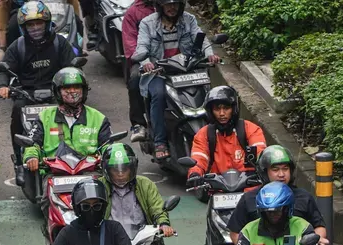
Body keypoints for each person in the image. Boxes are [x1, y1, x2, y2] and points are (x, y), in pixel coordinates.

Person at [131, 0, 218, 160]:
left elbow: (201, 39)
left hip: (187, 71)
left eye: (175, 4)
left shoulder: (189, 19)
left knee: (208, 94)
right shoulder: (147, 23)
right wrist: (147, 63)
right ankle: (160, 142)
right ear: (160, 6)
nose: (172, 8)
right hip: (160, 73)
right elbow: (141, 47)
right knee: (158, 95)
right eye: (168, 4)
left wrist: (210, 55)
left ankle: (217, 134)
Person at [0, 3, 79, 158]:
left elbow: (72, 66)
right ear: (23, 27)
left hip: (57, 93)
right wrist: (2, 86)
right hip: (27, 95)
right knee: (16, 114)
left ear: (47, 23)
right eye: (30, 24)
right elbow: (3, 70)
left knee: (77, 113)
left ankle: (79, 152)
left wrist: (75, 82)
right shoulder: (17, 46)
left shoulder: (59, 42)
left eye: (39, 23)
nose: (35, 28)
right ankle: (19, 160)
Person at [22, 68, 115, 175]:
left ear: (83, 90)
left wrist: (111, 155)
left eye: (76, 87)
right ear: (57, 91)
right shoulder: (44, 117)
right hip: (52, 173)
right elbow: (33, 143)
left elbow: (108, 145)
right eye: (67, 88)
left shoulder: (98, 118)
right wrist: (32, 156)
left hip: (89, 175)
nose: (72, 91)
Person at [185, 85, 265, 183]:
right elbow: (199, 158)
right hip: (217, 189)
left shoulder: (251, 129)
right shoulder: (203, 134)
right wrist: (195, 173)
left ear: (234, 109)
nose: (222, 113)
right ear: (211, 112)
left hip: (249, 188)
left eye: (226, 108)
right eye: (217, 109)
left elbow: (261, 153)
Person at [0, 0, 83, 66]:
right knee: (12, 24)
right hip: (26, 8)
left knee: (76, 20)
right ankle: (4, 50)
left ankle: (77, 43)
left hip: (53, 6)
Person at [121, 0, 156, 142]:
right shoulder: (133, 12)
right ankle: (138, 123)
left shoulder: (172, 8)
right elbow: (131, 45)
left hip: (169, 56)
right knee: (135, 79)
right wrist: (145, 60)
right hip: (143, 58)